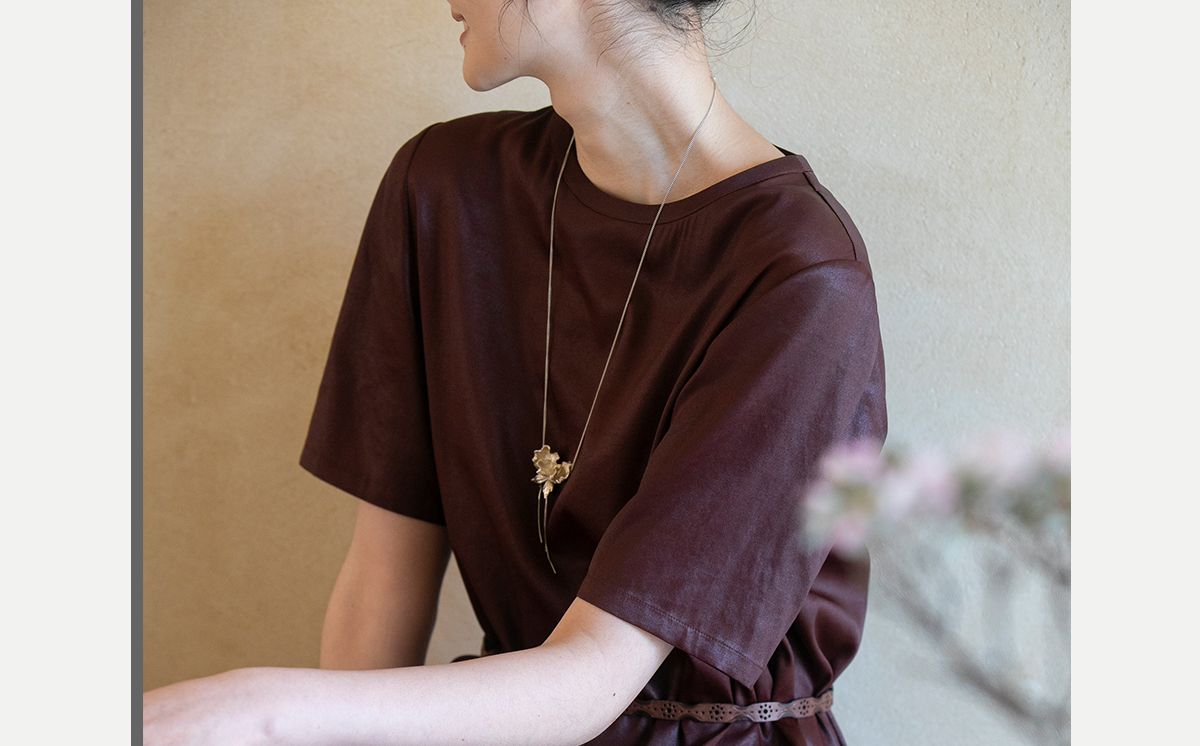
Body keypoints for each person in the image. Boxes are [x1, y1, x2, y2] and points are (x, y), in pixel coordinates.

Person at [142, 0, 886, 743]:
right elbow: (382, 576)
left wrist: (264, 713)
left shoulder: (798, 275)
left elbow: (594, 676)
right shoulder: (446, 188)